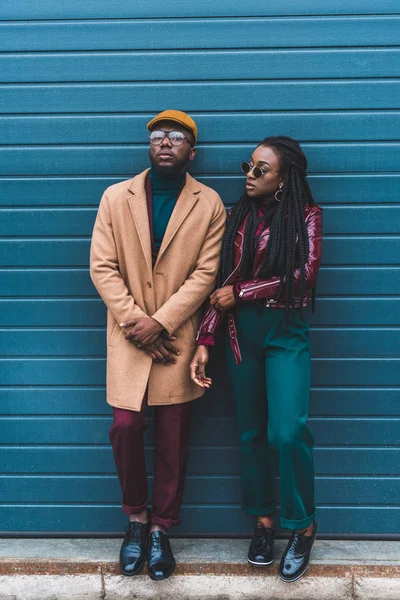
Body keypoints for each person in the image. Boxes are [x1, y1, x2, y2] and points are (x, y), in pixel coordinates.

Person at [90, 110, 226, 580]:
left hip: (176, 338)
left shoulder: (209, 203)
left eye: (176, 137)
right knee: (125, 428)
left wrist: (161, 323)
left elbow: (205, 274)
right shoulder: (115, 197)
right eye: (158, 136)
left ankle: (161, 530)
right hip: (130, 337)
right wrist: (136, 323)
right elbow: (102, 267)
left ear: (192, 151)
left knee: (174, 438)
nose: (164, 142)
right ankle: (135, 519)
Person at [190, 136, 322, 583]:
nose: (249, 174)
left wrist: (244, 291)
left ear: (284, 180)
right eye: (248, 165)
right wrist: (205, 339)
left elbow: (302, 279)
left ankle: (302, 525)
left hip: (285, 333)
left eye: (261, 169)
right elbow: (219, 285)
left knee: (287, 431)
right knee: (251, 434)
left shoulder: (307, 216)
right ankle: (263, 523)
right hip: (239, 335)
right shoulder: (238, 217)